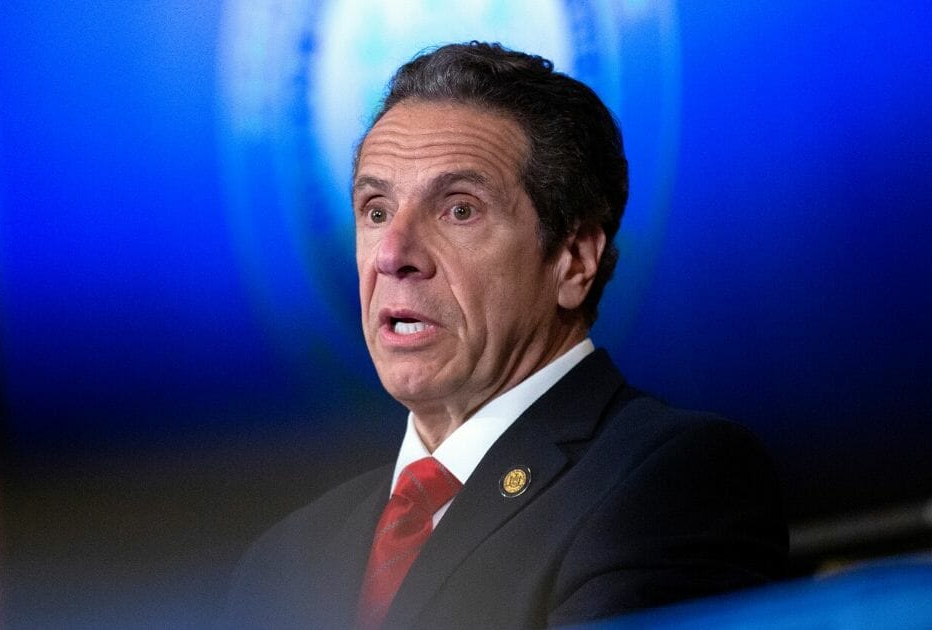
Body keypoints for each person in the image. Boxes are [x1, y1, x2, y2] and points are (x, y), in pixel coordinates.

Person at [224, 42, 787, 629]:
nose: (393, 255)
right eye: (376, 210)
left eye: (459, 209)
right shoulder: (283, 561)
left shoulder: (671, 481)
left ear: (573, 260)